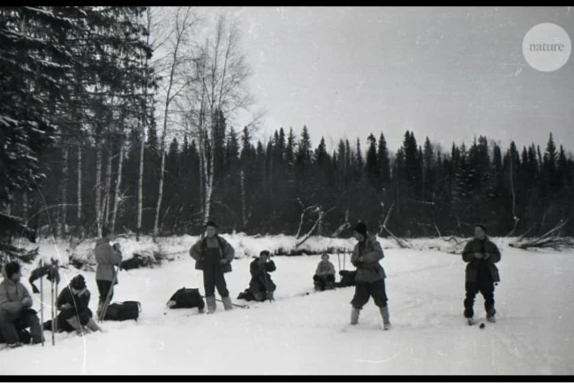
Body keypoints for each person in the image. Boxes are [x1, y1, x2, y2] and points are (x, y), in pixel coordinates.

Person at [349, 222, 391, 330]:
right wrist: (355, 260)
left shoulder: (373, 243)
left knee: (381, 299)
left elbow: (379, 254)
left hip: (375, 276)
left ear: (360, 233)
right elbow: (353, 258)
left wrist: (363, 259)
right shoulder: (356, 246)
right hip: (361, 277)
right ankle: (353, 322)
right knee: (358, 300)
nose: (354, 235)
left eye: (355, 233)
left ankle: (386, 322)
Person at [190, 221, 235, 313]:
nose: (210, 231)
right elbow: (192, 251)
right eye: (208, 230)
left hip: (218, 267)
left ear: (215, 230)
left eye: (211, 229)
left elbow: (231, 251)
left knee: (222, 286)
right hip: (207, 267)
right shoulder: (202, 242)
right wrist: (200, 258)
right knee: (208, 287)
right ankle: (211, 309)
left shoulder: (221, 241)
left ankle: (229, 308)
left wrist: (226, 259)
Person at [461, 224, 501, 324]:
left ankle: (490, 313)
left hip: (487, 273)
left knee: (489, 295)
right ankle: (469, 315)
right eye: (475, 231)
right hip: (472, 273)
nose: (476, 233)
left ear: (484, 232)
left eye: (479, 231)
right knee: (470, 295)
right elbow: (464, 257)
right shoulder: (470, 244)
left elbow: (498, 257)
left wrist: (489, 256)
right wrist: (473, 255)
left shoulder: (491, 245)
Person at [0, 262, 43, 348]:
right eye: (18, 272)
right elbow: (3, 305)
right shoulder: (2, 288)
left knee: (32, 315)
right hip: (7, 320)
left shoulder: (20, 286)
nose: (20, 274)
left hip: (20, 315)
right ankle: (13, 342)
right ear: (13, 274)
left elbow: (29, 299)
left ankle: (38, 339)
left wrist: (28, 301)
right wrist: (21, 303)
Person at [94, 226, 122, 319]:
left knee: (102, 295)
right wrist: (117, 251)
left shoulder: (97, 245)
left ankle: (101, 310)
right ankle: (103, 313)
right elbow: (115, 259)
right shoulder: (107, 246)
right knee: (108, 295)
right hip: (107, 274)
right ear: (107, 235)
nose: (112, 235)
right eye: (111, 234)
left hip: (99, 273)